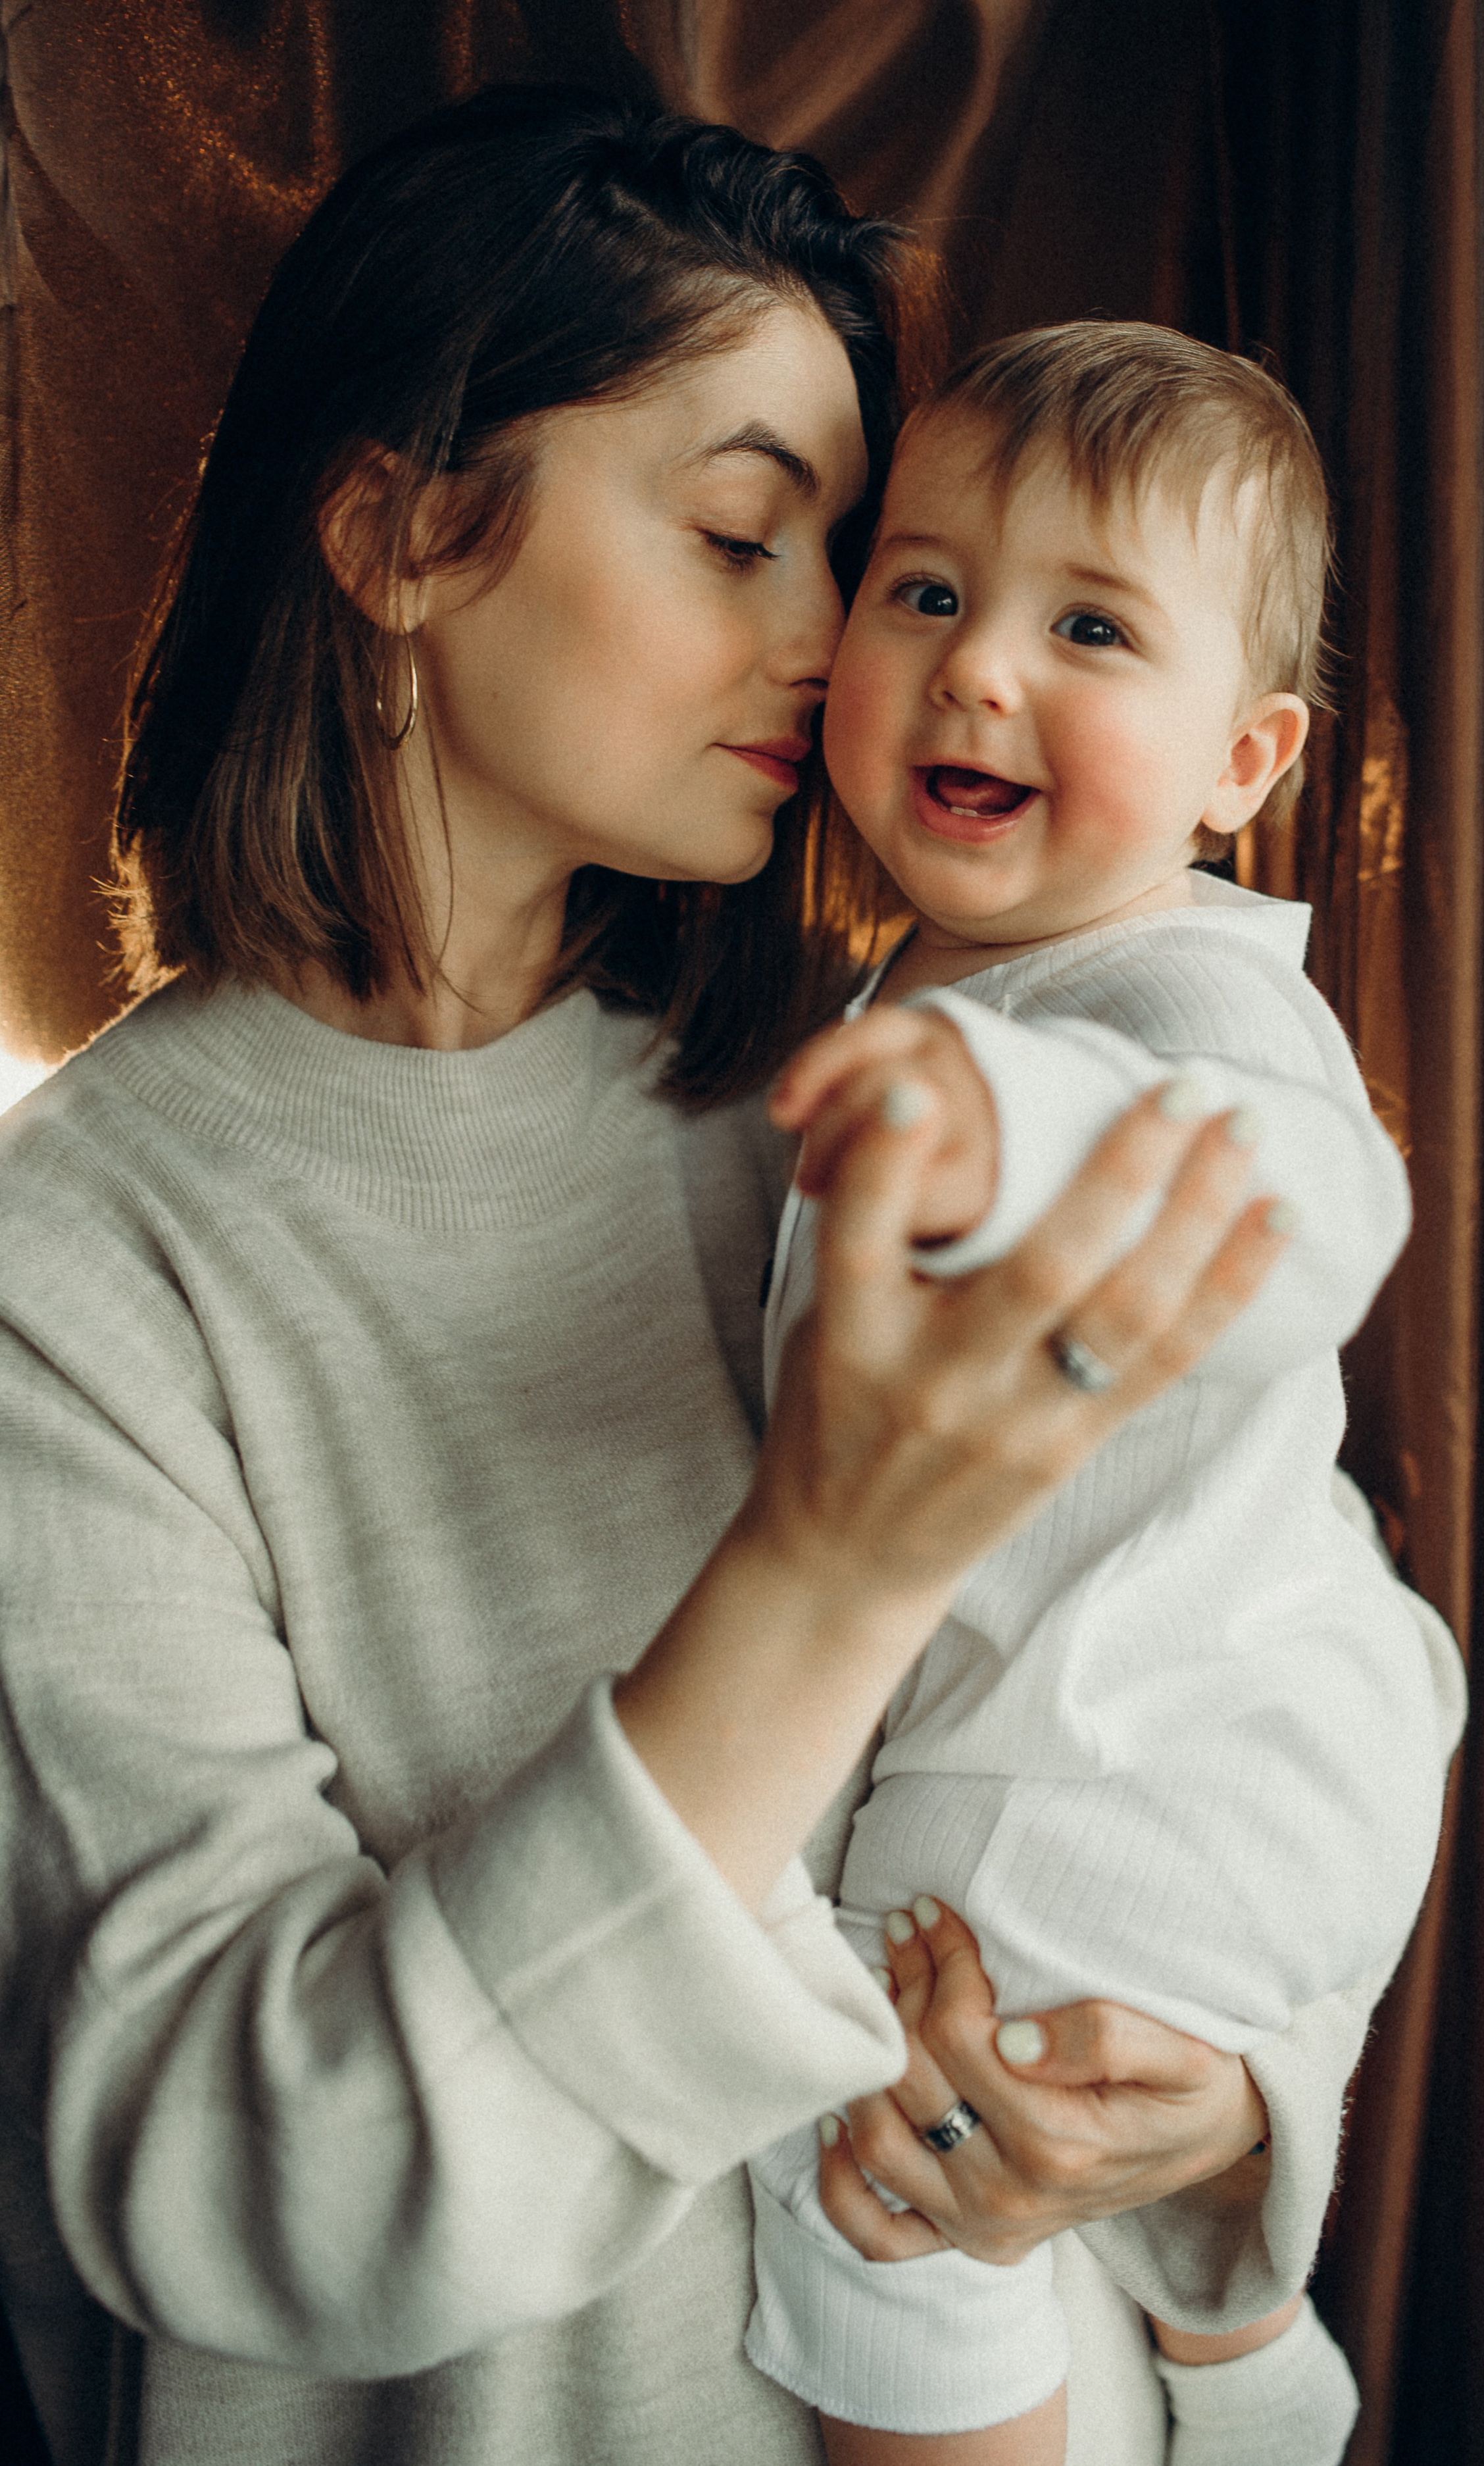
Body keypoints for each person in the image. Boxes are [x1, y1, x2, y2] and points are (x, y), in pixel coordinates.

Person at [0, 89, 1397, 2466]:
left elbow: (1263, 1616)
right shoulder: (75, 1270)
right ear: (401, 531)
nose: (844, 636)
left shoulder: (853, 1103)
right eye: (748, 534)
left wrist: (1226, 2091)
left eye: (848, 553)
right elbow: (242, 2188)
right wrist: (822, 1575)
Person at [743, 324, 1466, 2466]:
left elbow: (1320, 1200)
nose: (978, 669)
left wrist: (1016, 1134)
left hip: (1121, 1750)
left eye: (1091, 628)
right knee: (1033, 2124)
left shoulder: (1177, 995)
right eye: (927, 589)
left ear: (1246, 760)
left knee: (873, 2173)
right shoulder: (944, 967)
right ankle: (1249, 2369)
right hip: (1210, 1725)